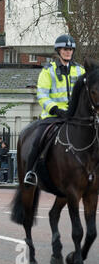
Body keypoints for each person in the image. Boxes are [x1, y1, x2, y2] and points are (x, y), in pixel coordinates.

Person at [25, 34, 85, 185]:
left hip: (75, 115)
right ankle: (30, 172)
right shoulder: (48, 71)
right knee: (39, 138)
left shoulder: (80, 71)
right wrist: (56, 109)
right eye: (65, 49)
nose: (68, 52)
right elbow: (42, 95)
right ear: (59, 51)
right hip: (54, 115)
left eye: (70, 49)